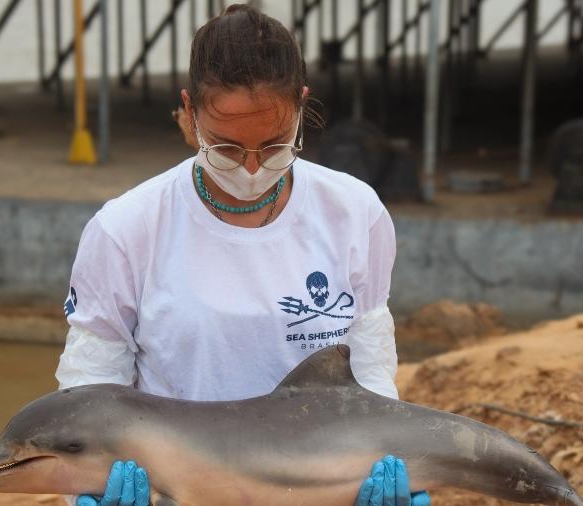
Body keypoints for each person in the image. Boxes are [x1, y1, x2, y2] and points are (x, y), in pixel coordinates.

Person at [55, 4, 429, 506]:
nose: (252, 169)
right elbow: (90, 388)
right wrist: (94, 483)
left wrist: (384, 455)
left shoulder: (354, 211)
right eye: (226, 149)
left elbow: (369, 362)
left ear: (301, 104)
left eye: (275, 146)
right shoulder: (127, 229)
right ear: (189, 114)